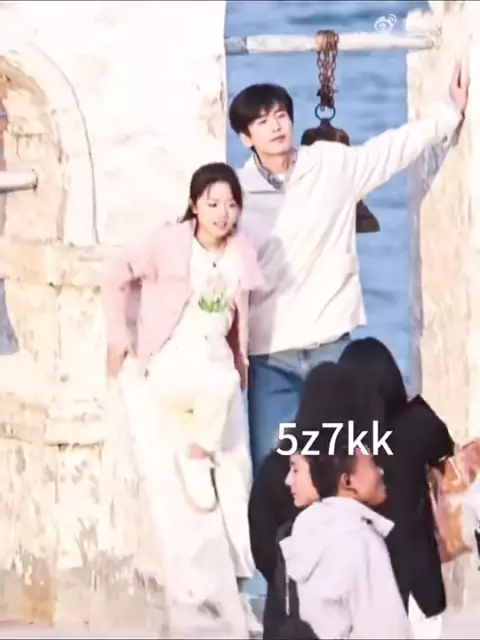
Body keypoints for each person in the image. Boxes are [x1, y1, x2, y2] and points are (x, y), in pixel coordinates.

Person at [228, 64, 469, 474]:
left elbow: (389, 151)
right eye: (262, 121)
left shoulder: (330, 165)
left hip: (331, 341)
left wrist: (448, 113)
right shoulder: (237, 192)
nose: (276, 126)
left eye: (281, 115)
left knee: (345, 464)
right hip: (270, 354)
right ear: (246, 137)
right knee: (275, 468)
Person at [101, 162, 264, 634]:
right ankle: (197, 453)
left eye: (231, 204)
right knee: (221, 387)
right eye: (213, 203)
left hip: (217, 361)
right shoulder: (170, 243)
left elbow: (240, 317)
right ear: (194, 205)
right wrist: (119, 337)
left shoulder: (240, 252)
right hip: (174, 359)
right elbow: (115, 275)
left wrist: (242, 362)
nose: (223, 213)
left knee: (238, 476)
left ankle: (239, 588)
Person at [248, 361, 385, 639]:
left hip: (285, 615)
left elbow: (260, 541)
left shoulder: (276, 465)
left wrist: (285, 575)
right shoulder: (358, 470)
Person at [339, 337, 455, 640]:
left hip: (358, 588)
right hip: (418, 583)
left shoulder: (336, 440)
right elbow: (445, 447)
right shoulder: (416, 422)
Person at [282, 439, 413, 639]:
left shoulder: (308, 531)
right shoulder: (360, 540)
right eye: (372, 464)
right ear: (347, 481)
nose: (380, 471)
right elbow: (386, 631)